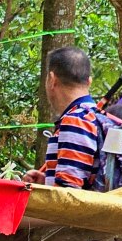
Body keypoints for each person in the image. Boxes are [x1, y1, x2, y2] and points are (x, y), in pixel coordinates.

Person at [24, 47, 106, 190]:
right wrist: (46, 182)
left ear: (52, 79)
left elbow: (68, 194)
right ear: (89, 81)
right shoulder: (93, 115)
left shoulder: (76, 120)